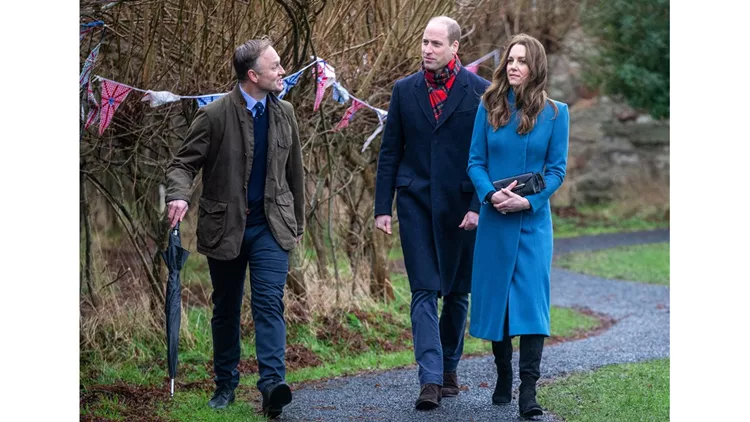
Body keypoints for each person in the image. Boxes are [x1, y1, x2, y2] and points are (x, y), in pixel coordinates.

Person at [164, 38, 304, 419]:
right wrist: (178, 195)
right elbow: (182, 164)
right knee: (226, 307)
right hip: (225, 228)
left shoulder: (286, 112)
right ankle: (225, 385)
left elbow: (295, 173)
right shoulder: (214, 115)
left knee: (269, 303)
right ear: (253, 75)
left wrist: (297, 222)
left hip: (272, 226)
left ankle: (272, 387)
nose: (282, 71)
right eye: (275, 66)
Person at [374, 16, 490, 410]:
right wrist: (382, 207)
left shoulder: (480, 92)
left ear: (455, 47)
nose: (427, 49)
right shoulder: (404, 90)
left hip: (462, 206)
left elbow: (487, 155)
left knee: (457, 292)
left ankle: (449, 367)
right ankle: (430, 378)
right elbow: (390, 151)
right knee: (423, 290)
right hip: (416, 204)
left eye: (436, 43)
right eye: (424, 42)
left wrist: (478, 206)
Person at [466, 33, 569, 418]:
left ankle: (529, 390)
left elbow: (556, 170)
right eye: (510, 59)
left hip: (533, 225)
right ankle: (503, 374)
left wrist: (528, 201)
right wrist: (491, 196)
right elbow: (475, 162)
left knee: (531, 305)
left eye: (522, 60)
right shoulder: (488, 106)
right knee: (500, 304)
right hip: (495, 221)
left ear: (535, 66)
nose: (513, 66)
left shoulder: (556, 114)